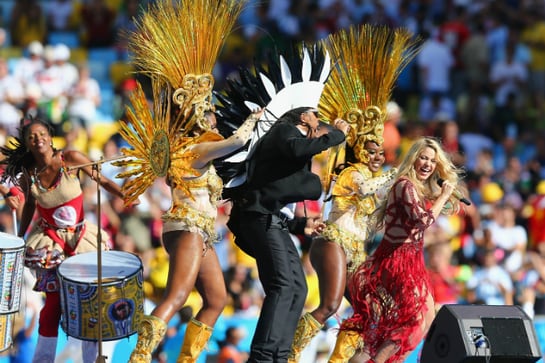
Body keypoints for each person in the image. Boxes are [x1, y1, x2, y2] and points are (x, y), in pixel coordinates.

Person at [120, 1, 250, 361]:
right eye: (209, 113)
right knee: (176, 297)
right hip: (188, 227)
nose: (214, 118)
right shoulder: (193, 148)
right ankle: (140, 356)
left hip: (200, 230)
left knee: (216, 299)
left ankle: (187, 359)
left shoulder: (199, 148)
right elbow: (236, 143)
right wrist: (254, 122)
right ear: (196, 115)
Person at [288, 24, 420, 363]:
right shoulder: (351, 172)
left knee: (367, 314)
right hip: (332, 242)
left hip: (355, 251)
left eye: (381, 154)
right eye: (372, 152)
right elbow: (368, 187)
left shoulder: (374, 173)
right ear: (360, 150)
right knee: (330, 305)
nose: (378, 158)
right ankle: (287, 356)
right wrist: (399, 172)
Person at [227, 108, 349, 362]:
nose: (318, 120)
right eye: (314, 115)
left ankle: (278, 356)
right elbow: (298, 151)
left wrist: (299, 225)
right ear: (303, 117)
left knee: (298, 287)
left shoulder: (289, 148)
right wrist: (336, 135)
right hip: (260, 220)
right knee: (282, 285)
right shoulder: (283, 132)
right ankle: (262, 357)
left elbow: (273, 193)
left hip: (273, 222)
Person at [0, 117, 126, 363]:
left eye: (41, 134)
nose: (38, 140)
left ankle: (92, 359)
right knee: (52, 307)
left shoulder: (72, 158)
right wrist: (20, 235)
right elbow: (30, 205)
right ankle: (43, 359)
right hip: (51, 242)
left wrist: (125, 195)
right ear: (27, 143)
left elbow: (102, 180)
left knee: (90, 303)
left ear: (49, 135)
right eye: (31, 137)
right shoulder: (29, 172)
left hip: (81, 240)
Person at [341, 137, 462, 363]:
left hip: (413, 261)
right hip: (396, 261)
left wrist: (442, 194)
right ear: (413, 159)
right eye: (423, 158)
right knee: (412, 321)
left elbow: (437, 208)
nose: (427, 164)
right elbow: (423, 220)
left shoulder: (416, 188)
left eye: (433, 161)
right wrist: (444, 195)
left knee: (425, 320)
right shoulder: (405, 184)